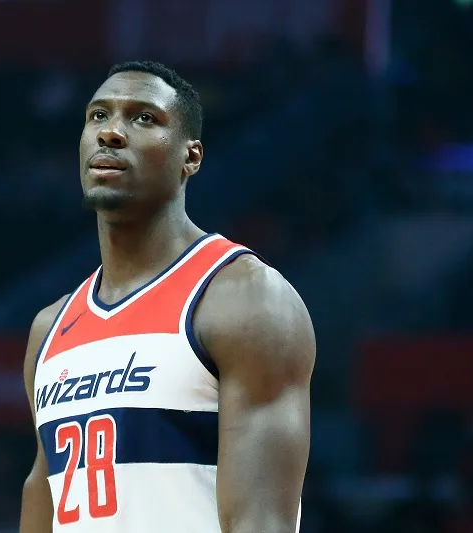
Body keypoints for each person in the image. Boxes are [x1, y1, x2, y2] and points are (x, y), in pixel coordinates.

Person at [19, 60, 315, 533]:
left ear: (190, 157)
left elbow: (262, 522)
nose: (110, 132)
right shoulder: (49, 329)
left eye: (143, 118)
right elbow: (44, 497)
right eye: (98, 115)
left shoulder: (246, 299)